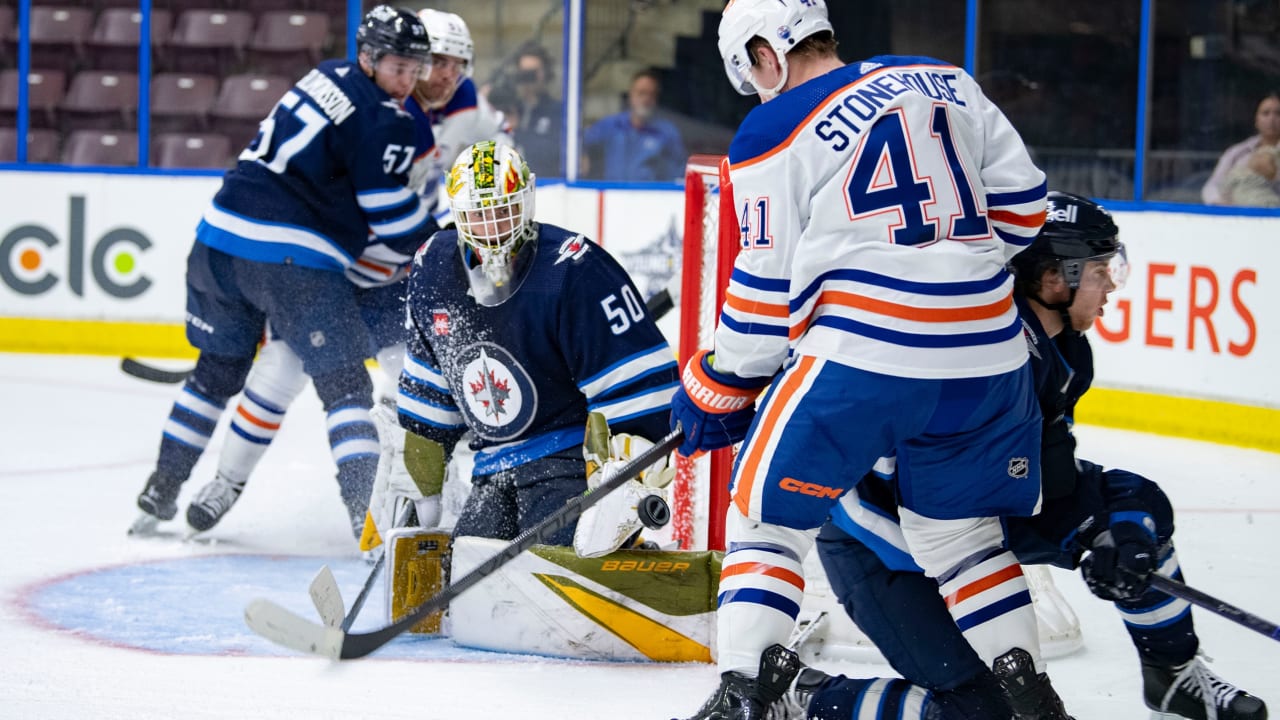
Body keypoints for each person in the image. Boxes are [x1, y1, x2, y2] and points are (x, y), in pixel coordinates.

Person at [669, 1, 1065, 718]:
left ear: (767, 54)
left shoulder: (773, 125)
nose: (755, 87)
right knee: (962, 536)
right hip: (988, 357)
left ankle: (740, 699)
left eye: (748, 72)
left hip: (863, 358)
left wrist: (719, 385)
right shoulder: (946, 79)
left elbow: (759, 305)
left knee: (767, 519)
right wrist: (944, 272)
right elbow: (1024, 213)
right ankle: (1034, 697)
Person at [813, 192, 1268, 720]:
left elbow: (1050, 480)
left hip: (980, 511)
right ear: (1055, 278)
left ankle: (1172, 676)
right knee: (985, 711)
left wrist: (1103, 538)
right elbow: (900, 505)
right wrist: (979, 577)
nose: (1112, 286)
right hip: (882, 542)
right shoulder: (973, 352)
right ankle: (809, 696)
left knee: (1134, 508)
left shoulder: (1066, 352)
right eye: (1101, 270)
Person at [130, 6, 439, 544]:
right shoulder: (386, 117)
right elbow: (387, 210)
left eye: (417, 68)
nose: (409, 80)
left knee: (217, 371)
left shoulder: (324, 76)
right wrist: (442, 241)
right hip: (292, 259)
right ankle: (366, 524)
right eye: (399, 67)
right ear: (368, 58)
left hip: (217, 241)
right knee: (346, 386)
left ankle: (163, 485)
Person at [361, 139, 679, 551]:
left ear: (526, 202)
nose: (492, 229)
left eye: (503, 211)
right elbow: (430, 394)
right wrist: (420, 479)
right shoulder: (434, 267)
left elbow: (640, 391)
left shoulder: (573, 269)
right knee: (467, 569)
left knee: (550, 569)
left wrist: (620, 480)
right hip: (493, 467)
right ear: (457, 214)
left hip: (569, 461)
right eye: (478, 216)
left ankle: (628, 564)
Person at [407, 8, 511, 222]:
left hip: (423, 224)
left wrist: (485, 186)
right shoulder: (393, 100)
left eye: (457, 64)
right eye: (438, 62)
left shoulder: (465, 95)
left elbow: (500, 135)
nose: (448, 75)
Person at [581, 69, 687, 182]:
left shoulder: (667, 133)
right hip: (612, 195)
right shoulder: (612, 125)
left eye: (651, 94)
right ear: (631, 95)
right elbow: (579, 141)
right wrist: (582, 154)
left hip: (648, 197)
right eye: (641, 93)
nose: (646, 99)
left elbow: (678, 172)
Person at [1202, 92, 1280, 207]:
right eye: (1265, 113)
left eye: (1278, 113)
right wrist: (1221, 204)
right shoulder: (1237, 152)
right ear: (1256, 120)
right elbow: (1213, 186)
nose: (1271, 119)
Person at [508, 43, 564, 178]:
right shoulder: (511, 109)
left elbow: (551, 154)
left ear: (546, 73)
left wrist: (519, 133)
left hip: (546, 189)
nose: (529, 78)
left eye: (534, 72)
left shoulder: (558, 111)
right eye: (525, 73)